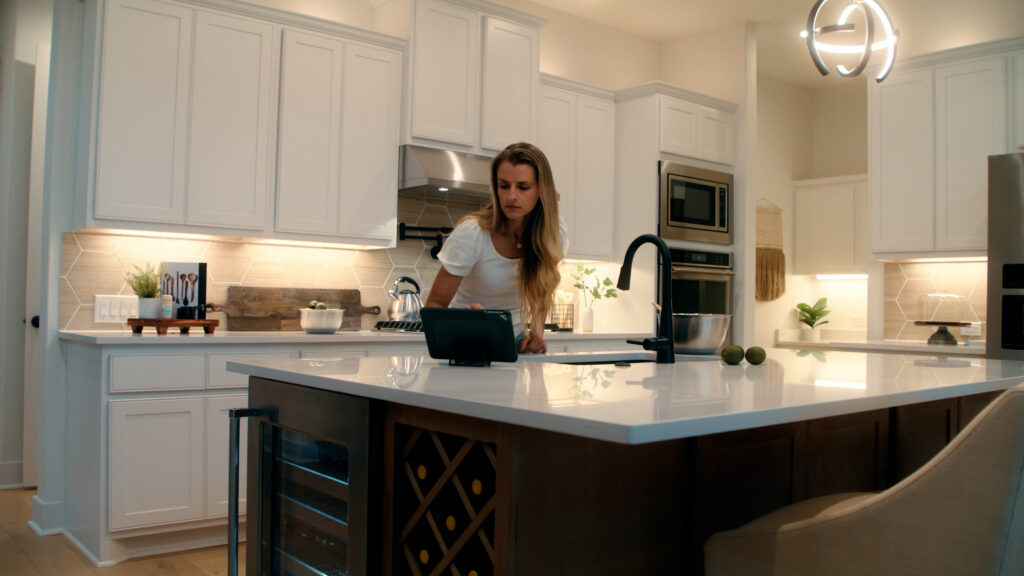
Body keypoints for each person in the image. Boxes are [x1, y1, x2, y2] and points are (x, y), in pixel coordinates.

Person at [425, 142, 565, 354]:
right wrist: (464, 320)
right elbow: (434, 305)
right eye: (504, 186)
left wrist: (536, 335)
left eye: (523, 187)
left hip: (515, 344)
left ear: (541, 190)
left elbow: (542, 287)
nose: (511, 196)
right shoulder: (472, 233)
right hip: (464, 343)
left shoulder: (554, 234)